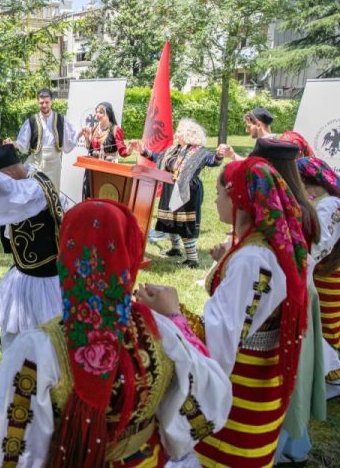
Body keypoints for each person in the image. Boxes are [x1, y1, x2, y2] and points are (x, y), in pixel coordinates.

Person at [0, 199, 232, 467]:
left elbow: (7, 452)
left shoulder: (38, 350)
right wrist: (175, 319)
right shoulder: (160, 331)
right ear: (132, 258)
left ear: (64, 259)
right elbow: (208, 401)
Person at [161, 157, 308, 467]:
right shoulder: (267, 246)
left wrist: (172, 312)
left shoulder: (252, 260)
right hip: (261, 380)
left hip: (241, 392)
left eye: (220, 192)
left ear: (239, 198)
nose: (214, 199)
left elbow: (219, 344)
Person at [248, 139, 324, 466]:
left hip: (283, 299)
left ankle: (281, 445)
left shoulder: (282, 206)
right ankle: (296, 442)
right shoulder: (304, 205)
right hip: (299, 295)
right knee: (297, 370)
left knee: (284, 373)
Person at [0, 145, 62, 349]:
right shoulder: (26, 178)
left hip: (44, 279)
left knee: (43, 338)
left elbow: (13, 190)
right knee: (13, 337)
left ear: (7, 174)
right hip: (24, 274)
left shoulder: (34, 188)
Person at [130, 119, 224, 268]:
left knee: (184, 223)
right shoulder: (173, 149)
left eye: (179, 131)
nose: (175, 134)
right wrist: (142, 150)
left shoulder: (199, 151)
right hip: (170, 187)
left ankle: (192, 259)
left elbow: (213, 161)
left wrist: (219, 155)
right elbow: (157, 157)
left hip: (187, 191)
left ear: (189, 134)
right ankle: (175, 249)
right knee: (169, 221)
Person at [298, 156, 340, 402]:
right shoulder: (324, 201)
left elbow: (319, 245)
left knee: (326, 322)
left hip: (328, 275)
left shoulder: (331, 204)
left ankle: (333, 377)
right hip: (322, 271)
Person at [4, 88, 80, 191]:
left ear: (51, 101)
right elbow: (23, 142)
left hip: (54, 165)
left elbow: (69, 140)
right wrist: (13, 143)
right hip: (37, 163)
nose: (44, 105)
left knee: (52, 193)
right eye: (41, 103)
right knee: (33, 192)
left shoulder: (61, 120)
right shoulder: (32, 120)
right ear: (37, 102)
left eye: (47, 102)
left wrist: (80, 134)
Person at [219, 106, 315, 160]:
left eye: (249, 126)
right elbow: (249, 162)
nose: (247, 130)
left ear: (259, 125)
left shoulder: (265, 146)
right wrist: (232, 155)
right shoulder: (274, 142)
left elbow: (248, 166)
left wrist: (232, 155)